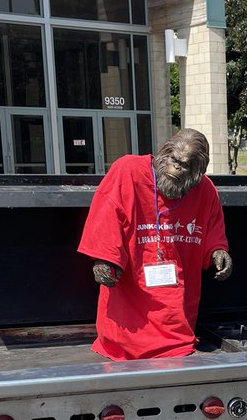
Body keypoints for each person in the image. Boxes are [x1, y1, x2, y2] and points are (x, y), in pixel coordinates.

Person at [78, 128, 232, 361]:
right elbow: (106, 213)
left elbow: (213, 229)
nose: (177, 168)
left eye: (186, 165)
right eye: (174, 160)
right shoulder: (128, 170)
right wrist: (104, 259)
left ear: (198, 172)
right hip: (129, 314)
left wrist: (218, 251)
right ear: (164, 154)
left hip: (176, 317)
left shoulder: (205, 190)